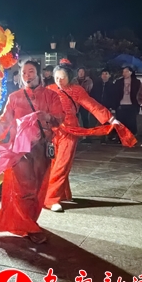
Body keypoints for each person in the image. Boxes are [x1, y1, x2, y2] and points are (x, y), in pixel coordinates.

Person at [0, 61, 65, 243]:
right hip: (20, 150)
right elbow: (4, 121)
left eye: (31, 71)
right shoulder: (15, 97)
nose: (27, 75)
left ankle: (29, 222)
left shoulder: (51, 96)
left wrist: (48, 116)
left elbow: (60, 118)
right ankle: (29, 228)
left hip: (42, 148)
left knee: (37, 189)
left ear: (39, 74)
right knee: (25, 188)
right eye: (24, 73)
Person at [46, 65, 117, 212]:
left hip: (71, 130)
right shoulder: (49, 89)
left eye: (62, 77)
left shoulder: (77, 90)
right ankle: (63, 193)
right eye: (56, 77)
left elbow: (92, 105)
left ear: (69, 77)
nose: (59, 81)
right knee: (54, 163)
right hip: (53, 130)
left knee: (63, 163)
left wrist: (110, 118)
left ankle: (51, 198)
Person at [90, 69, 118, 143]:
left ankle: (106, 137)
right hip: (97, 106)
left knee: (106, 123)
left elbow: (114, 97)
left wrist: (113, 106)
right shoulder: (96, 85)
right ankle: (97, 137)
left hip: (107, 107)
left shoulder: (112, 86)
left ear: (109, 75)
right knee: (96, 121)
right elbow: (92, 95)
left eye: (106, 74)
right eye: (103, 74)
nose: (104, 75)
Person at [113, 66, 141, 135]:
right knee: (121, 122)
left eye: (126, 71)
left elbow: (139, 93)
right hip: (121, 104)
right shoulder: (118, 82)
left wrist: (138, 104)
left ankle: (131, 135)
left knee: (131, 122)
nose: (124, 73)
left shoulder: (136, 82)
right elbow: (115, 93)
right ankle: (121, 136)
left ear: (130, 72)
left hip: (132, 104)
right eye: (123, 72)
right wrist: (116, 105)